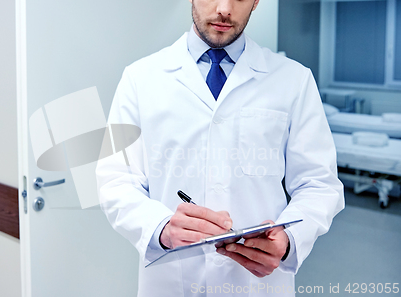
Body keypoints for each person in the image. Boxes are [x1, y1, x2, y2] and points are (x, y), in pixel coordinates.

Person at [96, 0, 344, 296]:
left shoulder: (294, 80)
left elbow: (319, 183)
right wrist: (160, 227)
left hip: (256, 284)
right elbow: (115, 179)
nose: (224, 8)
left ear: (255, 2)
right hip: (172, 281)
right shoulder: (139, 78)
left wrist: (290, 238)